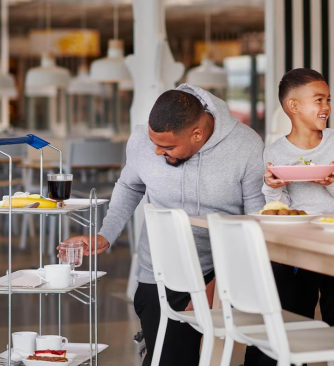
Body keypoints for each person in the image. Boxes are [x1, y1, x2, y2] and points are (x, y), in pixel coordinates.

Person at [60, 84, 266, 366]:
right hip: (161, 272)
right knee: (171, 359)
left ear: (197, 134)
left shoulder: (247, 146)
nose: (156, 151)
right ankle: (154, 343)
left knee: (258, 347)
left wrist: (218, 287)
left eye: (167, 146)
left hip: (222, 269)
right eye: (154, 142)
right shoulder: (143, 141)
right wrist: (104, 235)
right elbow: (129, 186)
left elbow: (257, 222)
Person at [245, 68, 334, 366]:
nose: (326, 107)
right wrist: (271, 186)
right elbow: (278, 208)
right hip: (298, 244)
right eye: (318, 100)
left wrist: (331, 181)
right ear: (293, 106)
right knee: (297, 311)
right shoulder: (276, 150)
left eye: (328, 100)